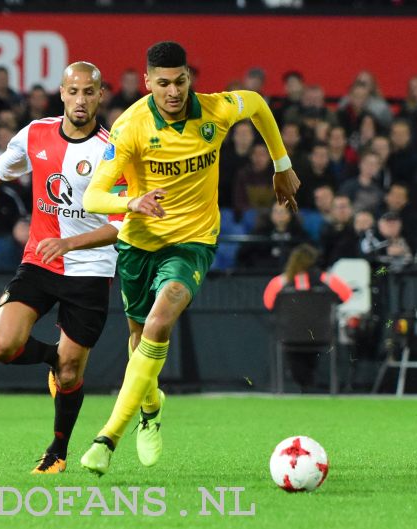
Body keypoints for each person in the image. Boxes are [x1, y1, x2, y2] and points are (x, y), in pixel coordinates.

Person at [79, 41, 300, 475]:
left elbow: (256, 104)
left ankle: (107, 437)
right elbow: (92, 196)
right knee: (139, 336)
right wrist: (132, 202)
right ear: (147, 83)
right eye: (163, 83)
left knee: (160, 323)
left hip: (193, 242)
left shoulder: (215, 110)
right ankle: (150, 408)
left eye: (180, 81)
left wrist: (281, 163)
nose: (173, 91)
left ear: (188, 78)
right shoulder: (130, 128)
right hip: (140, 244)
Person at [0, 62, 124, 474]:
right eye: (73, 91)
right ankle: (54, 359)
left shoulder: (114, 150)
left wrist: (69, 241)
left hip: (90, 268)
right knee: (2, 346)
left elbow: (120, 225)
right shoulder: (35, 133)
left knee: (71, 375)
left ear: (101, 96)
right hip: (40, 261)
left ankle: (58, 451)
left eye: (89, 92)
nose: (81, 100)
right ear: (61, 94)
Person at [262, 244, 352, 391]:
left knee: (297, 355)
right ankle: (308, 384)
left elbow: (268, 303)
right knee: (308, 355)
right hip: (321, 333)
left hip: (290, 335)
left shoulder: (280, 282)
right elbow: (346, 295)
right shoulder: (327, 280)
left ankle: (305, 384)